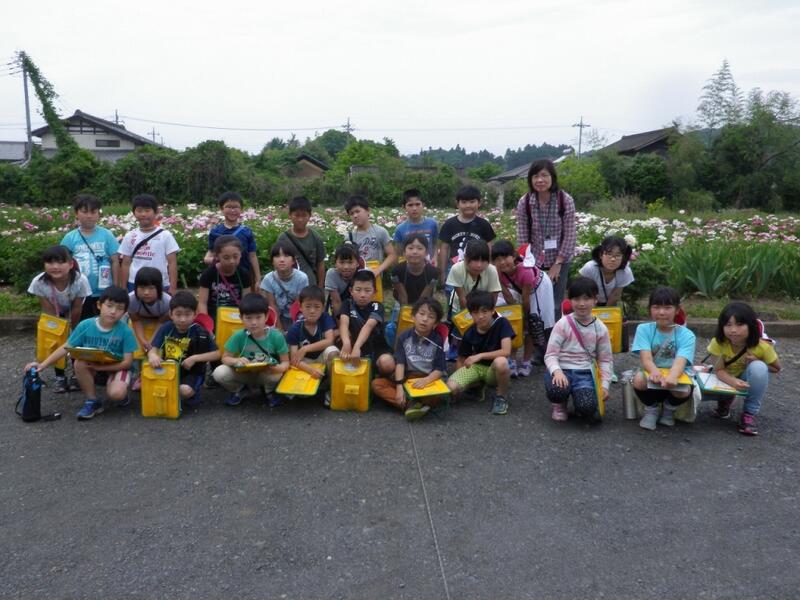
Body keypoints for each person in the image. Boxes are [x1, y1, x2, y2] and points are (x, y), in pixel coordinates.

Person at [24, 286, 138, 420]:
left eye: (119, 308)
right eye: (109, 306)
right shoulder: (86, 325)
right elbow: (66, 347)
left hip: (117, 366)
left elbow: (127, 363)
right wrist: (42, 365)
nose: (113, 311)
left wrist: (100, 368)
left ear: (125, 312)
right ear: (99, 305)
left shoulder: (126, 331)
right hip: (93, 363)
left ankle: (122, 395)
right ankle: (92, 401)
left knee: (116, 394)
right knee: (79, 363)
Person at [706, 301, 781, 436]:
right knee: (695, 390)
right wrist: (733, 382)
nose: (733, 330)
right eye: (728, 325)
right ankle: (724, 401)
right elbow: (719, 370)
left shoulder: (762, 347)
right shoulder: (718, 343)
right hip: (724, 377)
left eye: (739, 324)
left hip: (746, 378)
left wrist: (758, 361)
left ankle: (749, 414)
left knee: (759, 367)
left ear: (751, 325)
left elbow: (776, 368)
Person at [544, 277, 613, 422]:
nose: (582, 304)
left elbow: (605, 360)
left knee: (587, 407)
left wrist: (604, 385)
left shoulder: (600, 328)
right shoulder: (562, 324)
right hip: (563, 370)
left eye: (587, 299)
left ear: (595, 300)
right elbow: (550, 355)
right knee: (557, 390)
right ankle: (559, 404)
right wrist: (557, 372)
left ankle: (579, 402)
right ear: (570, 301)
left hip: (586, 374)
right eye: (576, 299)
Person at [515, 159, 577, 319]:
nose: (540, 180)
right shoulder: (525, 202)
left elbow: (570, 234)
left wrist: (558, 263)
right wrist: (527, 263)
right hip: (534, 259)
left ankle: (555, 332)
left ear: (552, 177)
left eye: (544, 175)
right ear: (530, 179)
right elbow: (522, 236)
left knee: (555, 302)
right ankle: (536, 332)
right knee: (535, 300)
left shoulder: (565, 200)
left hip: (560, 258)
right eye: (535, 176)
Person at [27, 245, 92, 393]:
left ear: (71, 264)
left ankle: (76, 374)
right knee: (55, 340)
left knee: (76, 340)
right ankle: (60, 377)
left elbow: (77, 308)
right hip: (54, 312)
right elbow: (48, 309)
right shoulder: (39, 282)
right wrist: (58, 328)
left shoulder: (80, 280)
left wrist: (73, 328)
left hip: (75, 311)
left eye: (61, 262)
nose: (55, 266)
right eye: (50, 262)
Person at [631, 287, 697, 431]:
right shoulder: (643, 329)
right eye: (656, 307)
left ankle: (669, 409)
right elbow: (646, 359)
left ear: (677, 310)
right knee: (638, 380)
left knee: (684, 390)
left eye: (667, 307)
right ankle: (651, 410)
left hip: (676, 377)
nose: (661, 312)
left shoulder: (687, 335)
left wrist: (672, 377)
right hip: (653, 376)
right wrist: (654, 372)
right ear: (650, 309)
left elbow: (680, 361)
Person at [372, 296, 447, 420]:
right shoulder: (404, 337)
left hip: (427, 379)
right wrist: (399, 387)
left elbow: (439, 369)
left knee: (435, 396)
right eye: (421, 314)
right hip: (407, 377)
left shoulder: (438, 340)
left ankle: (413, 404)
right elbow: (400, 363)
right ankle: (411, 404)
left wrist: (426, 380)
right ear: (413, 317)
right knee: (377, 385)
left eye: (431, 317)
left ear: (435, 323)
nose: (424, 319)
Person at [213, 293, 290, 407]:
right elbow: (225, 358)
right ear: (241, 318)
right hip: (244, 373)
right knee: (219, 372)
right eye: (248, 318)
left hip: (266, 373)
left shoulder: (276, 336)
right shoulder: (238, 336)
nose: (254, 322)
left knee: (277, 374)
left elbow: (286, 362)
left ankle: (269, 391)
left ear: (266, 316)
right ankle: (240, 389)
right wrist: (236, 360)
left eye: (258, 317)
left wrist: (277, 368)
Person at [491, 240, 555, 377]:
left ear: (513, 256)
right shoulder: (497, 272)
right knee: (514, 324)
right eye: (497, 259)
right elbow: (507, 295)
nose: (502, 262)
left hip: (538, 287)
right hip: (518, 289)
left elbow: (526, 300)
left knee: (531, 323)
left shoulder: (525, 271)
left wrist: (525, 318)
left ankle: (527, 361)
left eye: (505, 257)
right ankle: (512, 360)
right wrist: (517, 315)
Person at [147, 291, 220, 407]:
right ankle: (173, 394)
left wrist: (194, 358)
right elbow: (153, 348)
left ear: (195, 314)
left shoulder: (200, 331)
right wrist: (152, 355)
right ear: (170, 314)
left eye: (187, 314)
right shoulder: (166, 328)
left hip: (193, 372)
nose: (182, 319)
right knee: (149, 386)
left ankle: (192, 392)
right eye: (178, 314)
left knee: (185, 391)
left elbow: (217, 354)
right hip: (170, 368)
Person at [446, 290, 513, 415]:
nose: (480, 316)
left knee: (501, 362)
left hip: (493, 369)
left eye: (484, 311)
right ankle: (477, 386)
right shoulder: (469, 332)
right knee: (451, 388)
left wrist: (480, 356)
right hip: (476, 368)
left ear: (492, 311)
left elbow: (506, 351)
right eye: (476, 312)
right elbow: (461, 359)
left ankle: (501, 397)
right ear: (470, 314)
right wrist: (461, 384)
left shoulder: (502, 323)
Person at [60, 194, 120, 320]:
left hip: (104, 292)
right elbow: (63, 263)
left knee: (104, 323)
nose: (89, 216)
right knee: (82, 323)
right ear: (76, 213)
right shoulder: (70, 238)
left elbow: (115, 261)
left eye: (93, 212)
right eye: (84, 211)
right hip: (79, 292)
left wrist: (115, 286)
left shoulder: (107, 235)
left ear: (98, 214)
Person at [328, 270, 395, 380]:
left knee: (387, 363)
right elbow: (343, 324)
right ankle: (335, 383)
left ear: (374, 291)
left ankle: (380, 379)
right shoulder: (347, 304)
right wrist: (346, 343)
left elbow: (368, 326)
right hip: (351, 346)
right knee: (334, 355)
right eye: (358, 290)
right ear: (351, 291)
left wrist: (357, 346)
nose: (362, 295)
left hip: (375, 349)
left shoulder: (377, 306)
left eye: (367, 290)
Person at [118, 194, 180, 293]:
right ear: (134, 213)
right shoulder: (130, 236)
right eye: (139, 211)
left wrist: (172, 288)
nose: (143, 214)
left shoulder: (165, 235)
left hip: (159, 283)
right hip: (134, 283)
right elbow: (125, 263)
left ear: (155, 212)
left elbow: (172, 263)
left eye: (147, 210)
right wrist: (124, 287)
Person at [438, 185, 496, 284]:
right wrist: (442, 272)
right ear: (457, 204)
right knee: (453, 291)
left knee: (476, 291)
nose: (468, 205)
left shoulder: (484, 224)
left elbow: (489, 248)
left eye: (472, 202)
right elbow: (444, 248)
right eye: (464, 202)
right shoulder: (449, 224)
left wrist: (489, 269)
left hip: (478, 267)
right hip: (454, 267)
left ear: (479, 203)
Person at [128, 266, 172, 391]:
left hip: (160, 324)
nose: (146, 292)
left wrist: (152, 342)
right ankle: (139, 373)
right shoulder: (131, 299)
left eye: (151, 288)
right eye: (142, 288)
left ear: (159, 288)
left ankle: (156, 374)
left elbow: (162, 322)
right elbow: (135, 320)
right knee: (136, 347)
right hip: (140, 322)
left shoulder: (167, 302)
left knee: (156, 349)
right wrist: (142, 340)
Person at [204, 191, 261, 285]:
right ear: (221, 209)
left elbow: (252, 256)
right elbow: (210, 253)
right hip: (221, 278)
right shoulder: (215, 232)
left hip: (244, 276)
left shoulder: (247, 231)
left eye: (236, 207)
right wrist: (210, 259)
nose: (233, 210)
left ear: (241, 209)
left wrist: (258, 279)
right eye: (229, 207)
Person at [198, 235, 255, 325]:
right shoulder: (208, 274)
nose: (232, 261)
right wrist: (206, 325)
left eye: (235, 256)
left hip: (236, 318)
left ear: (241, 254)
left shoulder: (244, 274)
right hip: (214, 319)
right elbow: (202, 303)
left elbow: (246, 302)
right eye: (226, 257)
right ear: (217, 256)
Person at [285, 285, 338, 381]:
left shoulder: (325, 318)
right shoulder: (295, 328)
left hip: (322, 356)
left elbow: (329, 341)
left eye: (317, 307)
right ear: (300, 307)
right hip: (305, 361)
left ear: (323, 308)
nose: (312, 311)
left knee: (333, 352)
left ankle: (331, 383)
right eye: (308, 306)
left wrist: (305, 348)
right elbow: (294, 358)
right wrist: (310, 370)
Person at [277, 196, 326, 287]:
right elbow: (278, 262)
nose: (300, 219)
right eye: (297, 215)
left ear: (309, 216)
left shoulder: (316, 238)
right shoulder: (283, 238)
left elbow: (321, 264)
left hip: (310, 286)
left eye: (304, 215)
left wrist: (320, 287)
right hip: (289, 286)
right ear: (290, 215)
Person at [260, 241, 309, 332]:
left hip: (298, 317)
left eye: (286, 256)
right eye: (277, 256)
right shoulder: (268, 279)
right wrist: (279, 329)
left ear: (293, 260)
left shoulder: (302, 278)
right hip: (278, 318)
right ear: (272, 261)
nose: (282, 260)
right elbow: (272, 305)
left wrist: (295, 329)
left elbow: (299, 304)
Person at [345, 195, 396, 277]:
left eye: (357, 211)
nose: (355, 215)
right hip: (357, 278)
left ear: (368, 211)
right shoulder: (350, 237)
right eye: (351, 213)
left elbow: (392, 255)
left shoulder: (380, 231)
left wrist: (378, 270)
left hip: (376, 276)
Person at [446, 239, 501, 314]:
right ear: (465, 258)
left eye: (483, 261)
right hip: (460, 309)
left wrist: (487, 314)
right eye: (475, 260)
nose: (479, 265)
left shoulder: (492, 270)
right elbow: (462, 299)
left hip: (484, 310)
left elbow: (493, 297)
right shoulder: (457, 269)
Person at [579, 236, 634, 306]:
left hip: (610, 303)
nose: (613, 259)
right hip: (587, 302)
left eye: (618, 255)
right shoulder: (590, 268)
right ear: (601, 255)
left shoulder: (625, 272)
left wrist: (606, 310)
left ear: (623, 257)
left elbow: (616, 295)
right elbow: (582, 291)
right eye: (609, 254)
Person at [392, 189, 438, 262]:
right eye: (410, 205)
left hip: (429, 265)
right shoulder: (400, 229)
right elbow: (399, 253)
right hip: (409, 265)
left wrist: (435, 258)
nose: (414, 208)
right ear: (404, 207)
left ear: (423, 205)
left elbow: (435, 244)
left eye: (417, 204)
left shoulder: (432, 223)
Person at [324, 243, 360, 316]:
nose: (346, 267)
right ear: (335, 263)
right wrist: (341, 322)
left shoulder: (362, 274)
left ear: (357, 263)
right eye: (342, 262)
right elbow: (336, 302)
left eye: (350, 262)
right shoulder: (332, 274)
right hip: (339, 311)